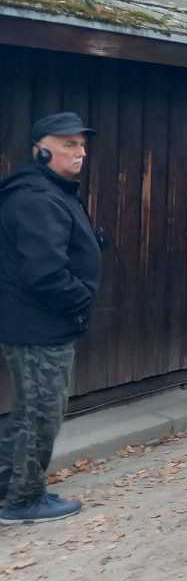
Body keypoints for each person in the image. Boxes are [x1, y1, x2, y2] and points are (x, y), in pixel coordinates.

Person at [0, 113, 102, 525]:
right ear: (40, 150)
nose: (78, 152)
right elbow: (44, 271)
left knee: (29, 410)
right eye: (67, 145)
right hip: (39, 326)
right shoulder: (37, 197)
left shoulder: (50, 190)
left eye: (80, 144)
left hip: (36, 323)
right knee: (42, 413)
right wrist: (80, 299)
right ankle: (25, 500)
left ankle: (8, 484)